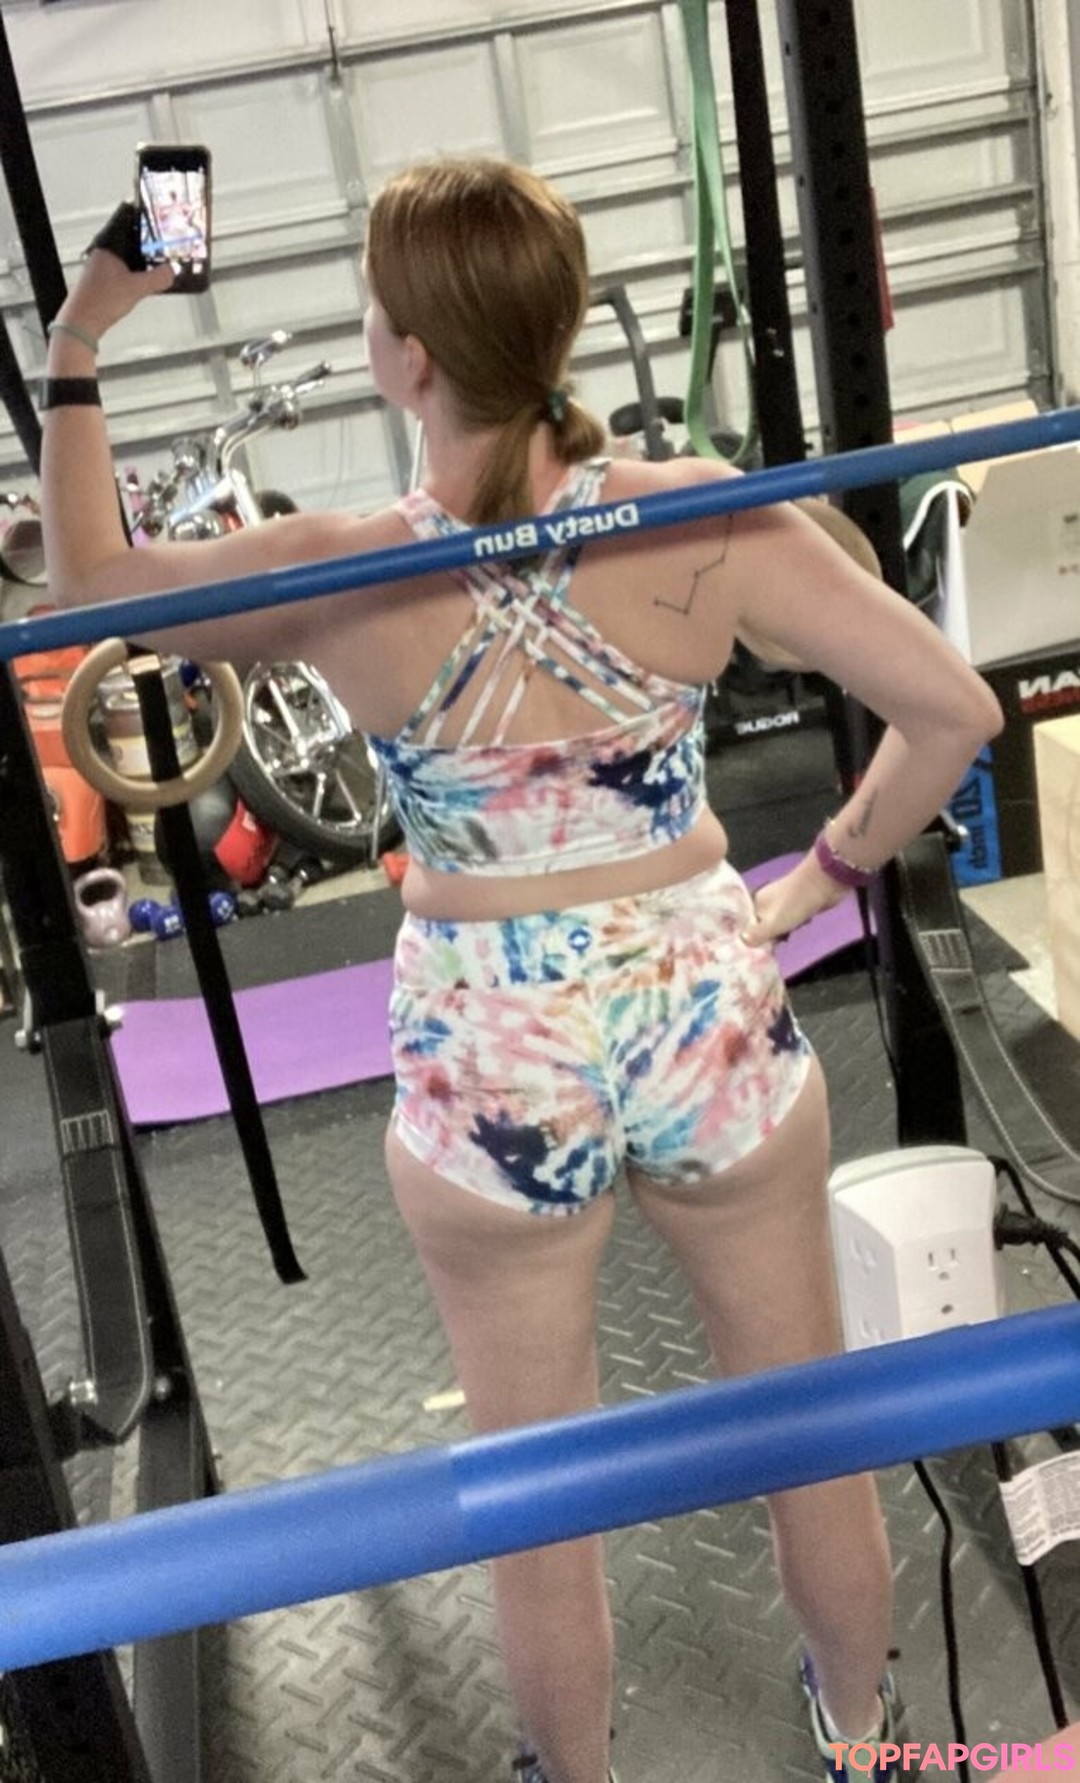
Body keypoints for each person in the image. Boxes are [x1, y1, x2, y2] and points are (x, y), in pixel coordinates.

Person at [40, 157, 1003, 1783]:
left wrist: (83, 330)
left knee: (540, 1502)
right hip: (699, 1002)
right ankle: (865, 1744)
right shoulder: (702, 514)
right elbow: (955, 713)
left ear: (407, 354)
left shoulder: (342, 568)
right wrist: (820, 879)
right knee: (809, 1435)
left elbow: (90, 590)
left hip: (497, 1047)